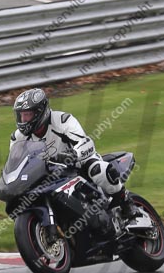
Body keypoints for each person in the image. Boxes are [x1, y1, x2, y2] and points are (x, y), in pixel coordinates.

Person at [10, 88, 139, 219]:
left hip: (78, 164)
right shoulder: (17, 137)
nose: (23, 119)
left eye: (28, 115)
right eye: (21, 115)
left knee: (98, 170)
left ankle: (126, 202)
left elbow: (86, 143)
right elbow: (16, 163)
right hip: (46, 173)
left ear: (39, 112)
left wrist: (73, 155)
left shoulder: (62, 120)